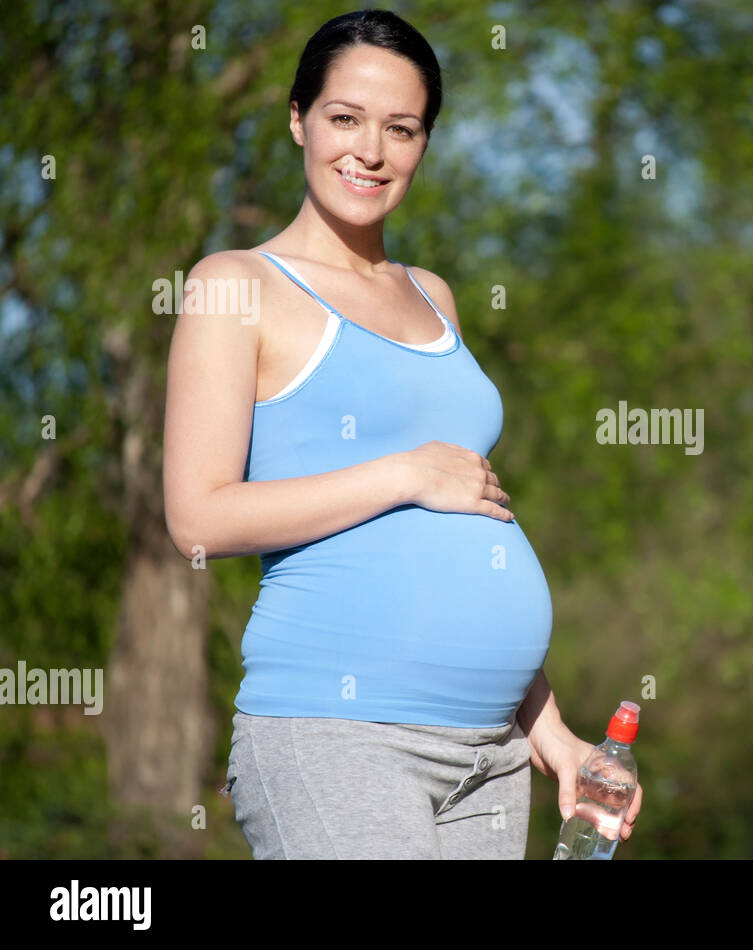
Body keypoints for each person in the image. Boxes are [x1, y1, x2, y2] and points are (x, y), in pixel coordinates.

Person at [161, 8, 641, 859]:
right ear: (298, 118)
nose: (370, 151)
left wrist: (550, 731)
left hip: (492, 754)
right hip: (339, 734)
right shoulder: (235, 284)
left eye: (401, 129)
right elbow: (197, 519)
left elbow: (473, 525)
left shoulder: (434, 296)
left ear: (425, 143)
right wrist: (404, 474)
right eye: (345, 118)